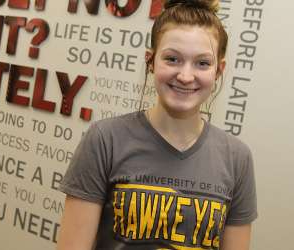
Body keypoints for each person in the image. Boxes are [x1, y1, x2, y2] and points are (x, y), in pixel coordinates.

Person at [56, 0, 258, 249]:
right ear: (150, 62)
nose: (185, 76)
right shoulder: (105, 139)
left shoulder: (237, 157)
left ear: (219, 70)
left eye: (202, 63)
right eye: (172, 59)